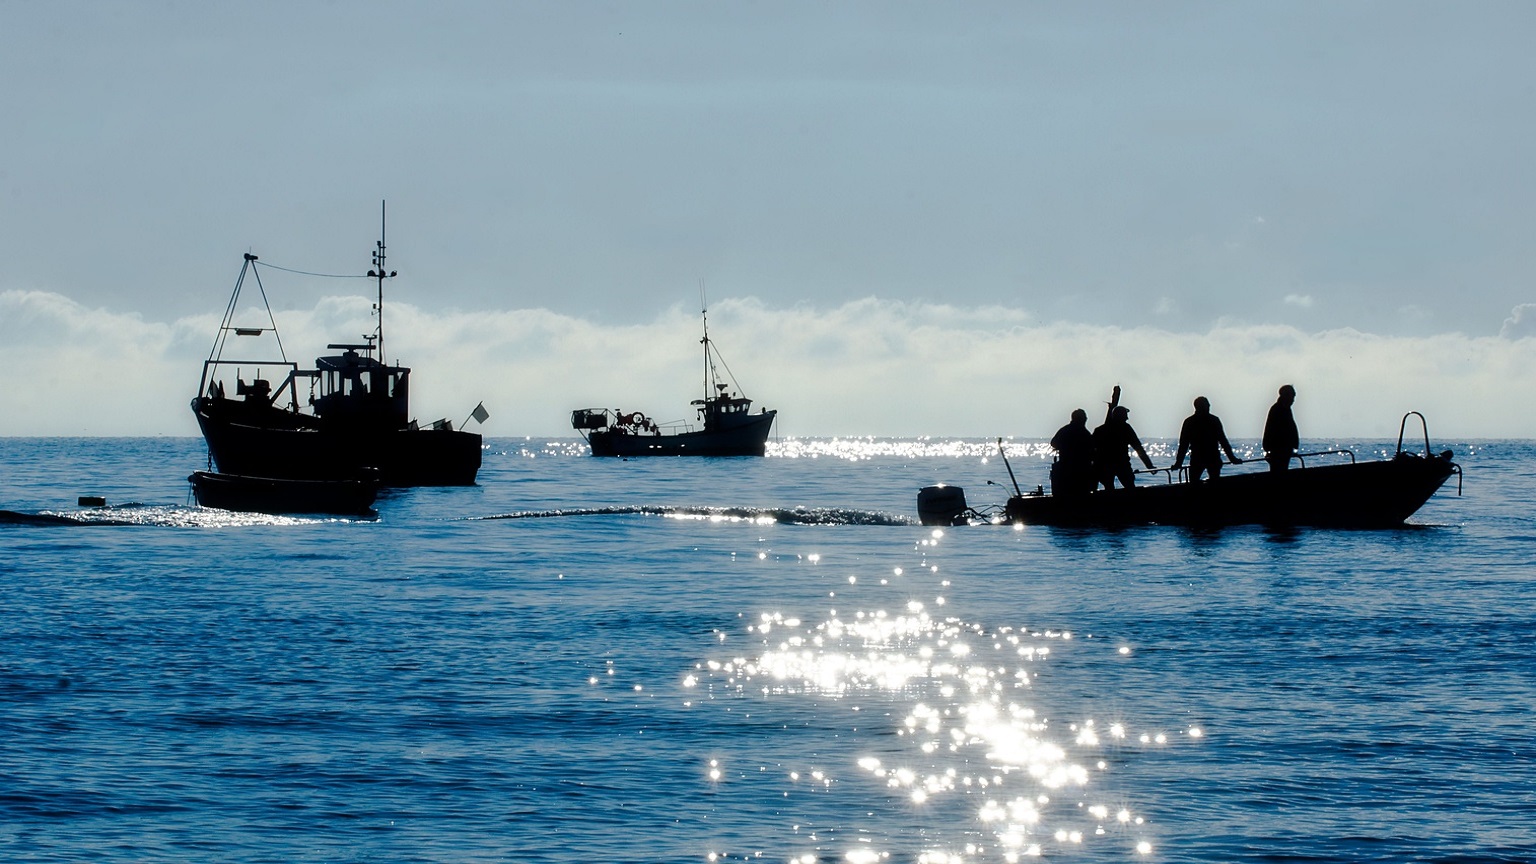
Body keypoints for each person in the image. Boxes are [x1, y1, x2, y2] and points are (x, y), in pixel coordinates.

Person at [1172, 396, 1242, 481]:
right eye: (1207, 405)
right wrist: (1232, 458)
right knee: (1210, 481)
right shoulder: (1213, 420)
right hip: (1208, 458)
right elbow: (1223, 442)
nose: (1209, 407)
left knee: (1195, 481)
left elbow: (1183, 445)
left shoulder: (1190, 422)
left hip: (1201, 458)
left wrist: (1178, 463)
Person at [1092, 404, 1155, 490]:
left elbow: (1091, 450)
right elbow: (1138, 448)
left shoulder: (1100, 430)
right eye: (1125, 416)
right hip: (1121, 464)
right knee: (1130, 488)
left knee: (1109, 487)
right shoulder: (1126, 429)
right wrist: (1149, 465)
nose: (1127, 418)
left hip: (1105, 466)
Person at [1049, 408, 1094, 497]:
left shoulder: (1064, 430)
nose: (1086, 419)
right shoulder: (1084, 433)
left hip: (1067, 467)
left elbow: (1053, 443)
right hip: (1079, 469)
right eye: (1084, 418)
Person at [1263, 384, 1299, 471]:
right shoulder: (1277, 410)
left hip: (1285, 450)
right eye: (1292, 396)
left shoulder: (1285, 409)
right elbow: (1271, 430)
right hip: (1279, 451)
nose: (1293, 400)